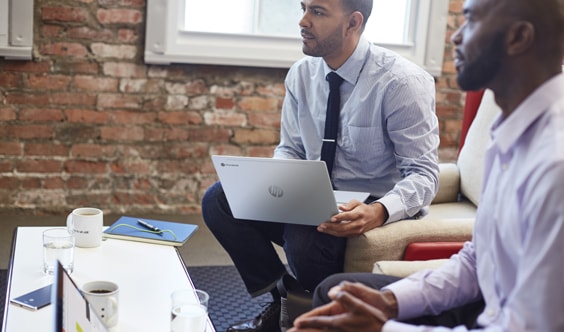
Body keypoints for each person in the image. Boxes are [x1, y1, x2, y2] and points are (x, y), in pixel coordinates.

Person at [288, 0, 564, 331]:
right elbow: (477, 261)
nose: (455, 38)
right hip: (491, 302)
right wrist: (389, 302)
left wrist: (384, 328)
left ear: (518, 37)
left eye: (471, 22)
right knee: (336, 296)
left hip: (509, 321)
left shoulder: (554, 165)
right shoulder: (507, 133)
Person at [201, 0, 440, 330]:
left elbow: (424, 174)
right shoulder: (302, 74)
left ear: (353, 23)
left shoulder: (401, 83)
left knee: (306, 236)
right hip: (311, 196)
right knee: (219, 200)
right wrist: (278, 184)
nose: (302, 21)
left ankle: (307, 316)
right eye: (303, 8)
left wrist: (379, 211)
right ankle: (288, 299)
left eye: (318, 12)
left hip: (366, 206)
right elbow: (291, 148)